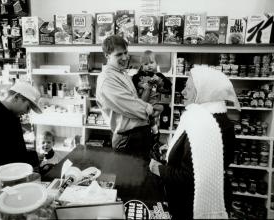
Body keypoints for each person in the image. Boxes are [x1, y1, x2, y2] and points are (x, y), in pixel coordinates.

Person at [149, 66, 239, 219]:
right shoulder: (216, 117)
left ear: (205, 92)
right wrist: (172, 151)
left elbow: (190, 177)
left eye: (189, 88)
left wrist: (159, 169)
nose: (183, 92)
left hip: (189, 205)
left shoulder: (205, 124)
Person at [96, 35, 161, 158]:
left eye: (126, 53)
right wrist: (152, 110)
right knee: (128, 177)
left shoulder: (122, 73)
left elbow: (135, 101)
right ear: (107, 55)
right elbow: (130, 106)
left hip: (137, 135)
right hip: (128, 139)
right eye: (119, 54)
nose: (125, 57)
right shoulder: (107, 79)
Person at [132, 50, 172, 138]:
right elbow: (133, 82)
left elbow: (168, 86)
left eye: (151, 62)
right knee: (144, 120)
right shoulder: (139, 76)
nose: (149, 65)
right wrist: (141, 84)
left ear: (156, 63)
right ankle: (152, 128)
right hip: (142, 103)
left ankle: (153, 125)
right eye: (146, 64)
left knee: (161, 108)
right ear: (142, 65)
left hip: (153, 103)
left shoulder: (158, 75)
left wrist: (160, 82)